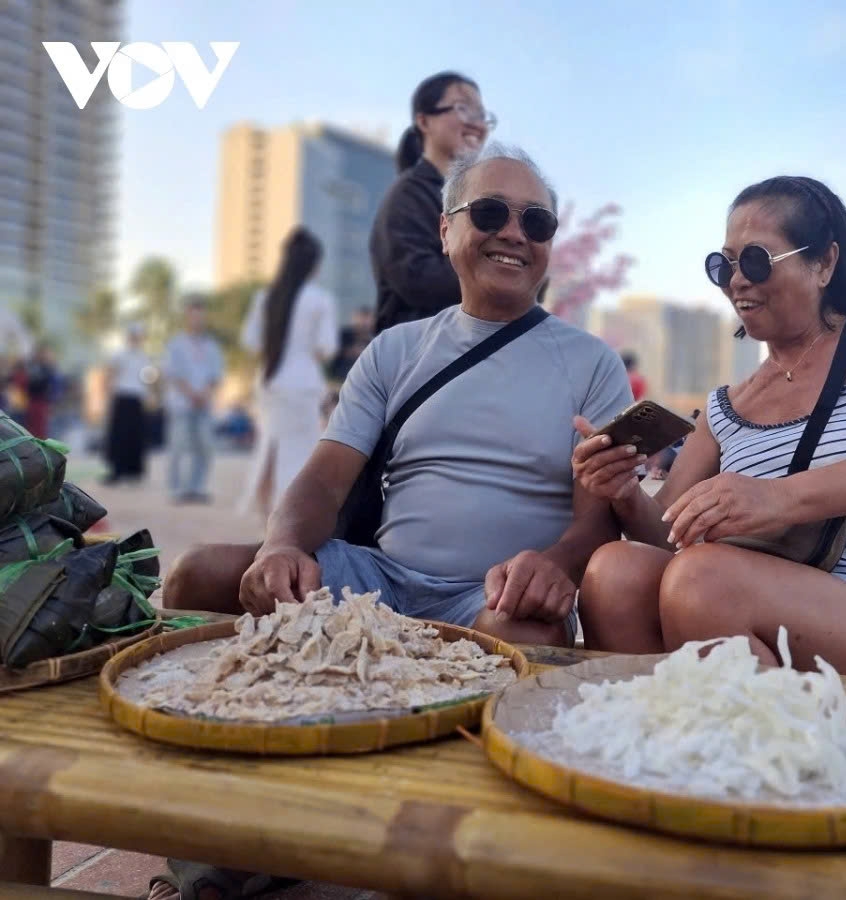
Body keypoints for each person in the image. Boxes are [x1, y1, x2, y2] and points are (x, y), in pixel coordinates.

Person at [151, 145, 631, 900]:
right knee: (202, 575)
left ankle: (414, 854)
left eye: (536, 220)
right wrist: (281, 545)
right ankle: (213, 841)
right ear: (446, 232)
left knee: (526, 643)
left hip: (490, 598)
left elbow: (596, 519)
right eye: (492, 213)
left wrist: (556, 564)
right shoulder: (397, 349)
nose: (515, 233)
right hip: (377, 581)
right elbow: (323, 475)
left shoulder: (592, 362)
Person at [572, 175, 846, 681]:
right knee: (614, 571)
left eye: (755, 260)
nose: (735, 280)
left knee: (702, 580)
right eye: (722, 264)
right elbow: (666, 538)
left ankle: (763, 748)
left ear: (825, 263)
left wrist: (779, 497)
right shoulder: (726, 407)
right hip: (740, 601)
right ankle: (653, 746)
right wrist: (623, 492)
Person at [371, 71, 494, 333]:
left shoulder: (479, 200)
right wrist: (496, 272)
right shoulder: (407, 195)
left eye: (481, 115)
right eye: (463, 108)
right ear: (424, 121)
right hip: (415, 360)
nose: (476, 123)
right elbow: (418, 281)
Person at [239, 227, 339, 519]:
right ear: (312, 264)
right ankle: (286, 523)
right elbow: (326, 347)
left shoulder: (266, 297)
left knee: (268, 452)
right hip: (303, 383)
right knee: (298, 456)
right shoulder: (321, 300)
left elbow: (251, 341)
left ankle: (265, 519)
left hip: (270, 381)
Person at [162, 298, 225, 504]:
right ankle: (177, 489)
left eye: (201, 316)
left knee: (204, 447)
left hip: (204, 404)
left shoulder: (212, 345)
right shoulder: (176, 344)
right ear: (187, 317)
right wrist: (191, 394)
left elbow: (215, 374)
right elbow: (173, 374)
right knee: (178, 446)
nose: (197, 320)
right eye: (193, 315)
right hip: (181, 403)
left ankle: (196, 487)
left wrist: (204, 393)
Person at [102, 323, 153, 484]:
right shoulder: (120, 354)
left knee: (134, 436)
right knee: (119, 436)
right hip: (122, 396)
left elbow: (148, 378)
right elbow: (110, 373)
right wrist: (109, 392)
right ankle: (116, 470)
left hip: (136, 397)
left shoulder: (143, 357)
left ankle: (133, 471)